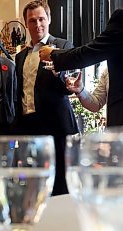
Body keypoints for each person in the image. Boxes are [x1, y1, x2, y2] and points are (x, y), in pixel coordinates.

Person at [16, 0, 79, 196]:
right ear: (26, 24)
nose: (37, 25)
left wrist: (57, 71)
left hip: (57, 127)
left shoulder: (63, 46)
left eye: (41, 19)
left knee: (61, 185)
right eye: (32, 21)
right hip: (29, 128)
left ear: (49, 19)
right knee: (35, 186)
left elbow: (70, 87)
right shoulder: (20, 56)